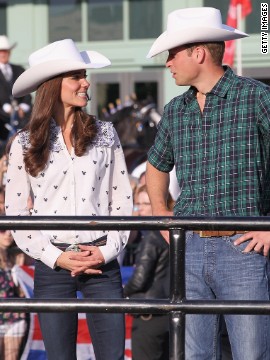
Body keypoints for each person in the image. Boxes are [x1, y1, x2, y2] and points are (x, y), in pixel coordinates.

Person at [145, 7, 270, 360]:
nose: (167, 63)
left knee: (251, 354)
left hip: (244, 247)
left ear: (197, 53)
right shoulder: (175, 109)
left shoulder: (256, 97)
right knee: (194, 355)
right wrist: (159, 213)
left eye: (172, 54)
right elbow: (156, 165)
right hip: (190, 248)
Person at [4, 39, 133, 360]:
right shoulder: (23, 142)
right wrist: (53, 256)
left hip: (102, 261)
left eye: (84, 74)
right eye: (76, 76)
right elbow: (15, 212)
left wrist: (106, 251)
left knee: (113, 356)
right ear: (52, 85)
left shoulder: (106, 132)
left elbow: (123, 200)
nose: (85, 82)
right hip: (52, 265)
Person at [124, 184, 173, 360]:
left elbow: (139, 279)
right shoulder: (175, 233)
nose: (141, 209)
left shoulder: (152, 236)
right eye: (138, 204)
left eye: (146, 203)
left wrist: (122, 293)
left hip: (150, 314)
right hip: (173, 310)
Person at [0, 228, 28, 360]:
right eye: (3, 230)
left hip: (14, 317)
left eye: (12, 230)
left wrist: (21, 270)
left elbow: (23, 294)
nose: (8, 234)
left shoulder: (16, 256)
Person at [0, 35, 32, 148]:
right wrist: (6, 108)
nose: (3, 54)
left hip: (21, 117)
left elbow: (27, 92)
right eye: (1, 51)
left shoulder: (19, 69)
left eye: (6, 51)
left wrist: (23, 107)